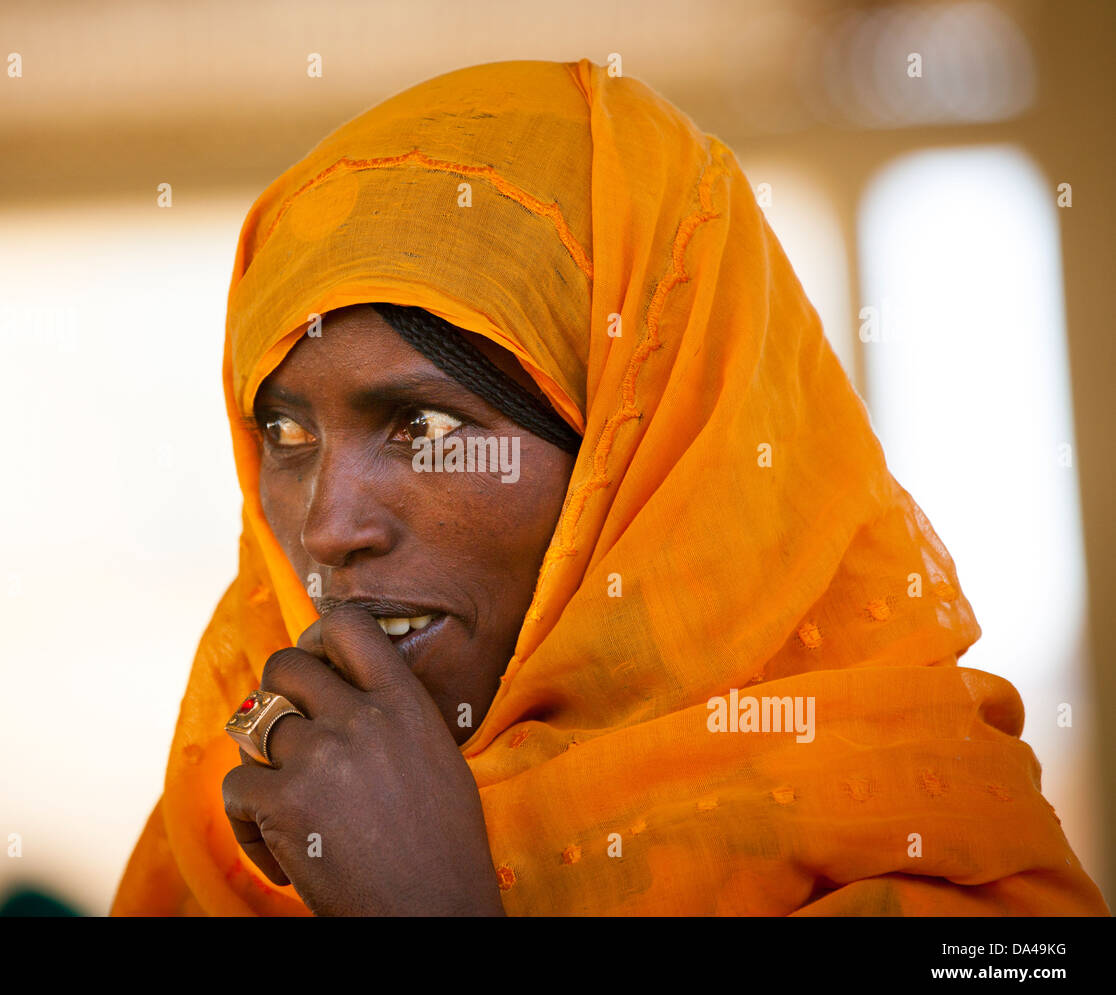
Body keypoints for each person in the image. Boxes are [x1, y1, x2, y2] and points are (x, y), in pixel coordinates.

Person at [110, 58, 1109, 916]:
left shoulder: (925, 859)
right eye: (284, 432)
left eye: (429, 427)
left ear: (648, 468)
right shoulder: (224, 848)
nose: (327, 526)